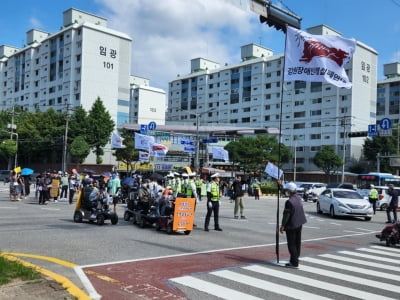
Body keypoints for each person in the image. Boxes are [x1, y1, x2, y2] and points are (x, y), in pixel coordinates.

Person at [279, 181, 307, 268]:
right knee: (297, 242)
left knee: (291, 244)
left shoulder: (289, 202)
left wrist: (282, 226)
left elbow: (286, 215)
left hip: (292, 224)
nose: (285, 191)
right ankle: (295, 258)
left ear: (290, 191)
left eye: (287, 190)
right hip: (300, 223)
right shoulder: (298, 198)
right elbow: (283, 190)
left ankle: (294, 262)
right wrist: (280, 185)